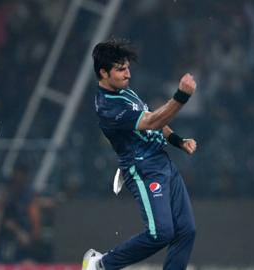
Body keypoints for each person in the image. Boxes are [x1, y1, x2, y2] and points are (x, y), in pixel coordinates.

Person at [83, 39, 197, 269]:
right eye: (121, 69)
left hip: (163, 163)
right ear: (103, 73)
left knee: (186, 230)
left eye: (128, 68)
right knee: (160, 233)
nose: (128, 74)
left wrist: (177, 140)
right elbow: (153, 121)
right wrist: (181, 96)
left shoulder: (124, 91)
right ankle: (101, 264)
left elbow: (153, 115)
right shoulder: (108, 107)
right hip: (144, 169)